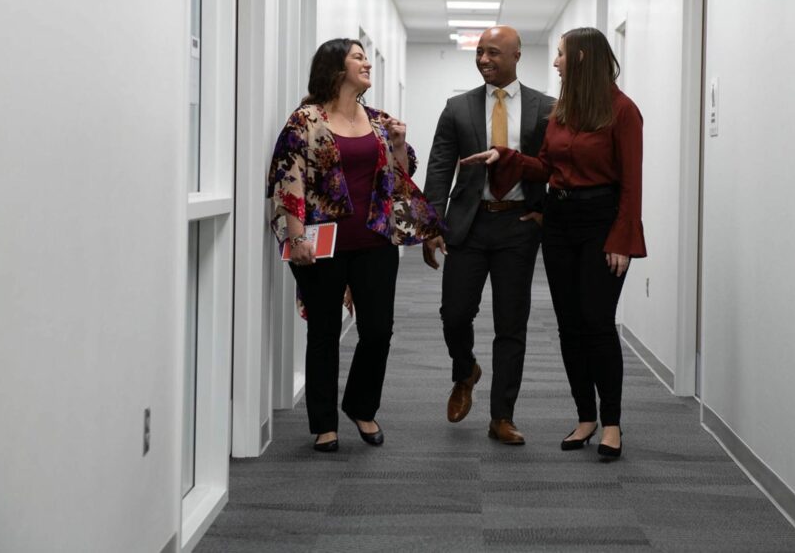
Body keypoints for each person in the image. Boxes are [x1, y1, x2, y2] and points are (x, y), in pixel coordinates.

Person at [460, 27, 646, 460]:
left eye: (561, 55)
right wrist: (504, 157)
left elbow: (632, 185)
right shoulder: (561, 112)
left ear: (581, 59)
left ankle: (612, 422)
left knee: (597, 323)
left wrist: (622, 238)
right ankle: (585, 416)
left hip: (602, 223)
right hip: (560, 224)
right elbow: (545, 166)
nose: (556, 62)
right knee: (569, 325)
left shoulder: (622, 111)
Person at [267, 38, 443, 453]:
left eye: (366, 57)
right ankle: (324, 424)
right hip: (321, 243)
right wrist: (295, 236)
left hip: (376, 241)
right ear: (335, 67)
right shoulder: (305, 120)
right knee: (324, 332)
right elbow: (287, 179)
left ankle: (362, 408)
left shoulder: (379, 120)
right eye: (358, 57)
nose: (366, 63)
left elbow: (400, 176)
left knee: (378, 330)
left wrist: (399, 144)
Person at [422, 25, 556, 445]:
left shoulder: (545, 108)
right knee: (455, 313)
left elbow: (559, 166)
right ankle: (465, 370)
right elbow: (440, 167)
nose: (483, 60)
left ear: (517, 55)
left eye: (493, 53)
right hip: (469, 223)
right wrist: (431, 225)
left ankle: (502, 416)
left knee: (511, 322)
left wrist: (543, 212)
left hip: (518, 226)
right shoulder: (458, 108)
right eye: (479, 52)